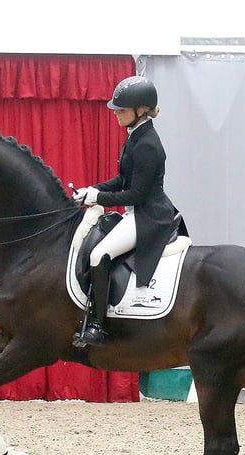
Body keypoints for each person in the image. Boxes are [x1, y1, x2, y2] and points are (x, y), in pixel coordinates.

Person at [72, 76, 185, 347]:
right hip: (139, 210)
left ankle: (98, 326)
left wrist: (98, 197)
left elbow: (137, 194)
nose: (116, 114)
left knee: (100, 254)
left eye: (121, 110)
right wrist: (92, 190)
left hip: (149, 215)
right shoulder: (136, 136)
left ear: (141, 110)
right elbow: (123, 180)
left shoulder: (147, 145)